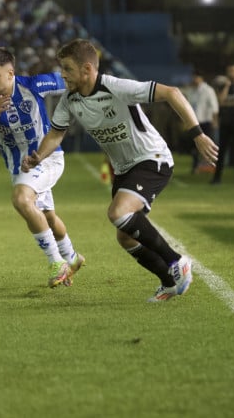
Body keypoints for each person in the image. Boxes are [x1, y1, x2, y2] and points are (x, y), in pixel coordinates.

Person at [22, 38, 219, 302]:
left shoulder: (115, 87)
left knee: (118, 212)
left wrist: (197, 134)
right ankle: (169, 281)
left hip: (152, 158)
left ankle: (177, 261)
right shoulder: (69, 100)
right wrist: (37, 157)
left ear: (87, 70)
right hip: (124, 169)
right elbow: (56, 134)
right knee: (125, 238)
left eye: (67, 69)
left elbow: (172, 93)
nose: (63, 75)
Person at [0, 47, 84, 288]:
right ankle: (73, 258)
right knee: (47, 218)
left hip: (47, 158)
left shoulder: (33, 85)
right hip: (17, 167)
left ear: (10, 73)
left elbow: (71, 80)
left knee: (22, 200)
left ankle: (57, 264)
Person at [212, 64, 234, 185]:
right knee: (221, 150)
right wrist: (227, 86)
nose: (231, 73)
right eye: (229, 71)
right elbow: (220, 101)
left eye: (233, 70)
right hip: (225, 121)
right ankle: (217, 178)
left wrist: (227, 103)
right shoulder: (223, 86)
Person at [183, 71, 219, 174]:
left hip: (206, 122)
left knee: (208, 146)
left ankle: (211, 166)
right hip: (195, 123)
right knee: (194, 147)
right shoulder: (191, 91)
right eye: (193, 77)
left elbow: (214, 107)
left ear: (201, 78)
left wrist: (215, 121)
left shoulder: (208, 90)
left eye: (196, 77)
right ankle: (196, 167)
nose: (195, 79)